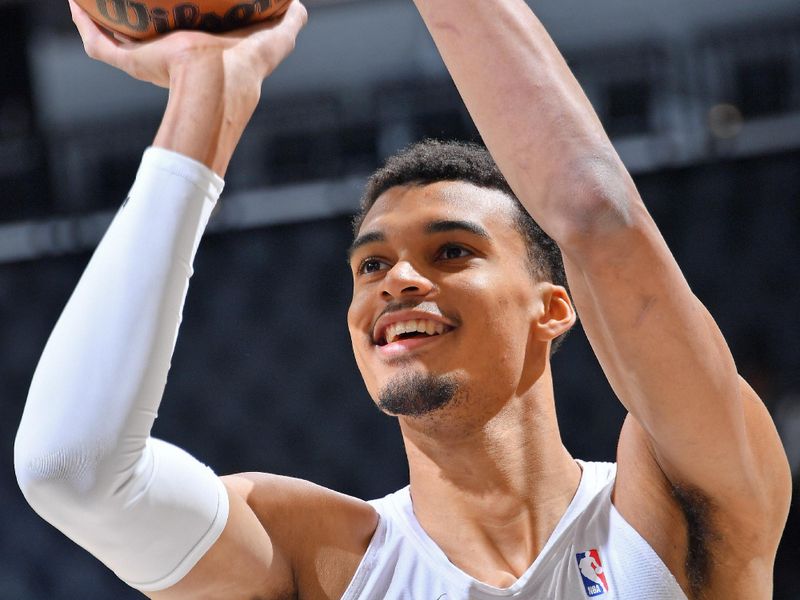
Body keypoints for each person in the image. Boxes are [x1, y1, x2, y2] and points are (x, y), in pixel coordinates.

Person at [14, 0, 791, 598]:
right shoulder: (320, 563)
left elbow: (597, 219)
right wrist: (204, 97)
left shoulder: (668, 502)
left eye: (453, 251)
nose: (397, 281)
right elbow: (72, 470)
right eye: (370, 265)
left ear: (552, 308)